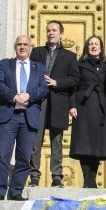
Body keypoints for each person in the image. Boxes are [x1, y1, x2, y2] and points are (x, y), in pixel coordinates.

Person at [0, 35, 48, 201]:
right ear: (15, 47)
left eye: (26, 44)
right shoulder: (5, 64)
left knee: (24, 157)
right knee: (2, 155)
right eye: (19, 44)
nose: (22, 47)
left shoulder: (40, 68)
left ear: (31, 48)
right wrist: (15, 96)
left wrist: (29, 95)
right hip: (8, 117)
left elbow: (44, 89)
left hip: (29, 117)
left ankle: (16, 191)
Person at [28, 20, 79, 188]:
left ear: (61, 34)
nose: (51, 33)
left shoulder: (69, 56)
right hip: (38, 101)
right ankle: (34, 175)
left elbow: (74, 79)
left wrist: (56, 82)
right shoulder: (36, 52)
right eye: (48, 30)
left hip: (58, 102)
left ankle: (57, 176)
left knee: (56, 140)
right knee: (36, 139)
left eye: (54, 30)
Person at [69, 36, 106, 188]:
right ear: (87, 47)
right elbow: (72, 86)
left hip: (100, 107)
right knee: (84, 143)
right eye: (91, 44)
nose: (93, 46)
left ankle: (92, 179)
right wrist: (72, 105)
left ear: (101, 47)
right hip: (83, 105)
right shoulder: (79, 65)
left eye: (96, 44)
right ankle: (87, 180)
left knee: (97, 144)